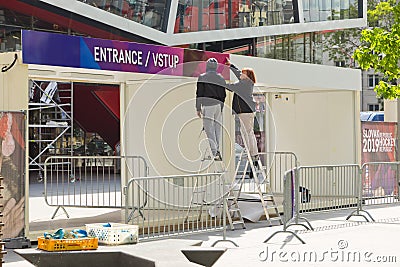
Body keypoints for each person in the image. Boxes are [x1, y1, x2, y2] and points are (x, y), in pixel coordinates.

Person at [225, 58, 259, 162]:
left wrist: (219, 82)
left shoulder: (244, 84)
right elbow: (238, 73)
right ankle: (253, 153)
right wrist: (231, 65)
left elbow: (231, 87)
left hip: (245, 111)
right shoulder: (247, 82)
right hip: (247, 111)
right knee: (248, 132)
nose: (241, 74)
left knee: (247, 132)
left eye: (243, 73)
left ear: (247, 76)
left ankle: (251, 152)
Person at [196, 58, 227, 161]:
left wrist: (198, 108)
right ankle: (217, 149)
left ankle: (214, 151)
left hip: (208, 105)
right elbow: (223, 94)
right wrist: (221, 106)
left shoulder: (202, 77)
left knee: (209, 129)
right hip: (218, 105)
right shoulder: (221, 78)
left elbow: (199, 93)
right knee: (217, 129)